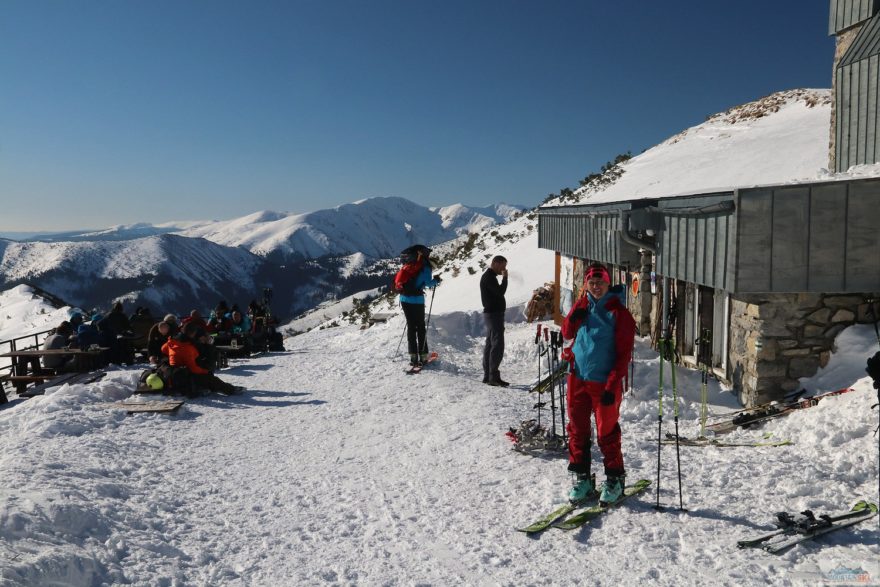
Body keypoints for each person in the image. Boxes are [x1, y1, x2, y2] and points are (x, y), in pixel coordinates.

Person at [561, 262, 636, 505]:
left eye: (600, 282)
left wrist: (612, 385)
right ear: (586, 285)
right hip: (577, 377)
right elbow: (566, 333)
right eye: (591, 283)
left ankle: (615, 480)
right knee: (577, 429)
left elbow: (624, 355)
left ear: (607, 283)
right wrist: (574, 316)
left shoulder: (619, 314)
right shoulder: (583, 304)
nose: (595, 287)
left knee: (607, 432)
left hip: (604, 383)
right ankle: (583, 479)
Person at [394, 244, 440, 366]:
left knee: (410, 326)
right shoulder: (425, 267)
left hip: (404, 299)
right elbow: (429, 283)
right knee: (420, 327)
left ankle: (413, 356)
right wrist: (437, 280)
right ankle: (423, 356)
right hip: (417, 301)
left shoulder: (409, 266)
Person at [162, 322, 239, 394]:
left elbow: (163, 349)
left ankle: (203, 387)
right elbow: (193, 369)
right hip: (184, 374)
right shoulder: (188, 347)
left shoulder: (171, 341)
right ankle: (230, 389)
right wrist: (206, 371)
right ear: (193, 333)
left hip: (174, 371)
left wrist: (174, 355)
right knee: (208, 377)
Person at [480, 255, 509, 386]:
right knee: (497, 345)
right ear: (495, 264)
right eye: (503, 266)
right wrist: (505, 278)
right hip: (494, 315)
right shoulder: (489, 278)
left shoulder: (489, 277)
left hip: (492, 314)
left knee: (490, 344)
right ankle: (493, 376)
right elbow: (500, 292)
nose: (504, 269)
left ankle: (488, 375)